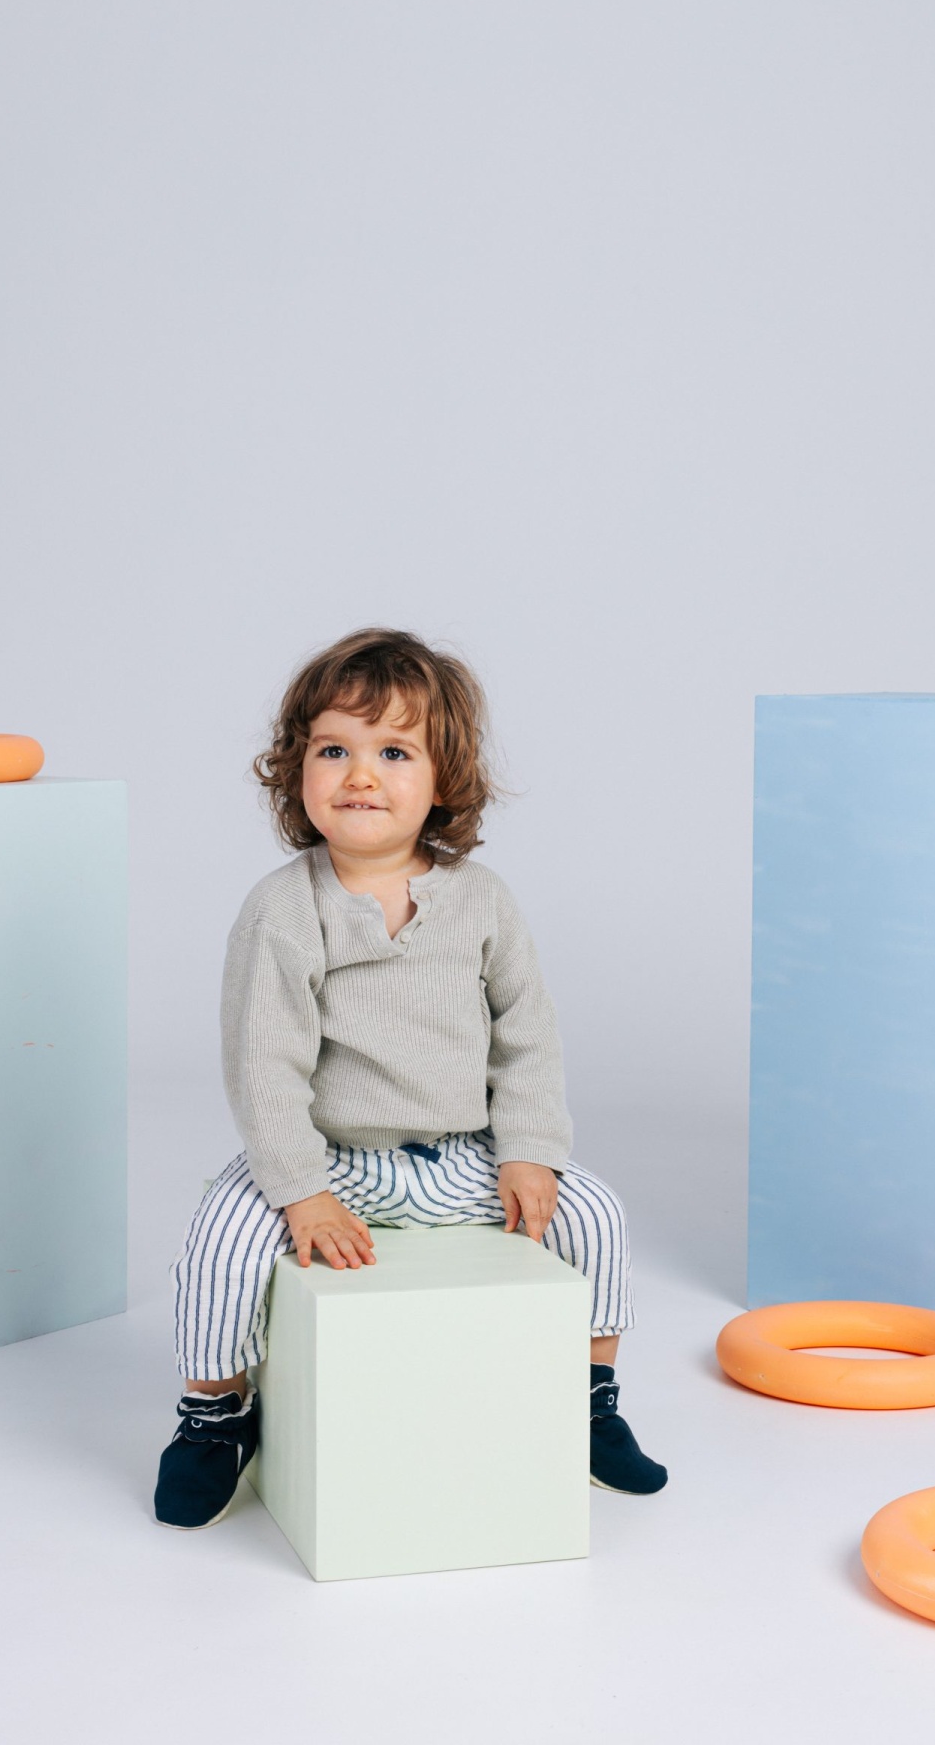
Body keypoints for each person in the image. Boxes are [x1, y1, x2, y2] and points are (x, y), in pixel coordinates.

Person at [154, 626, 666, 1529]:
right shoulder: (284, 909)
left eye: (393, 752)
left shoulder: (483, 899)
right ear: (297, 769)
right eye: (333, 751)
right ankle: (214, 1413)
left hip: (460, 1156)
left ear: (443, 779)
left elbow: (526, 1036)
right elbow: (263, 1064)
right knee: (219, 1240)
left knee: (597, 1214)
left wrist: (530, 1150)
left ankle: (588, 1399)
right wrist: (300, 1190)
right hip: (330, 1161)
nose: (360, 774)